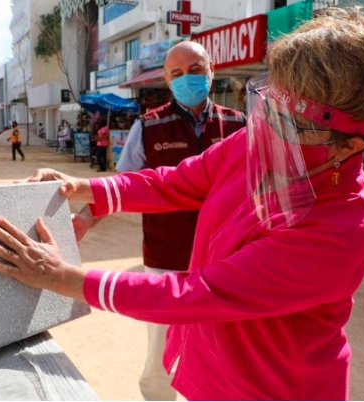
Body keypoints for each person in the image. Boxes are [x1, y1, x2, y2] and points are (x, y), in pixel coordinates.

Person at [0, 7, 364, 400]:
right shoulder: (256, 140)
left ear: (347, 146)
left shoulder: (341, 227)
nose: (267, 131)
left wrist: (65, 278)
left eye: (290, 124)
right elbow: (177, 182)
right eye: (268, 108)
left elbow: (201, 292)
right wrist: (84, 188)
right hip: (209, 367)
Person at [87, 40, 246, 400]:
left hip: (227, 260)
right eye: (177, 73)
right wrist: (83, 220)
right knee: (161, 355)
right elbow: (122, 186)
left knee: (224, 349)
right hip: (167, 258)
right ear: (166, 80)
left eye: (195, 70)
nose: (187, 78)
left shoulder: (239, 124)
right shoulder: (148, 126)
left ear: (211, 72)